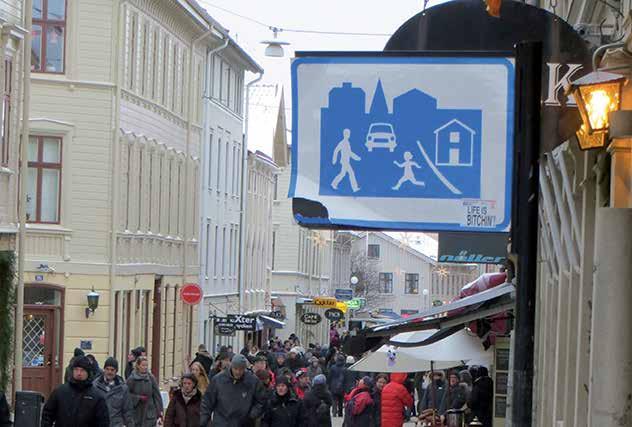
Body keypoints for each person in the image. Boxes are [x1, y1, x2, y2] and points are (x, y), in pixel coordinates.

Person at [41, 355, 110, 427]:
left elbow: (103, 421)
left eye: (82, 370)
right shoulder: (60, 392)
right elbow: (47, 415)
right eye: (76, 369)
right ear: (72, 371)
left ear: (88, 373)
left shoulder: (96, 396)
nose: (79, 373)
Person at [200, 354, 266, 427]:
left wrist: (251, 415)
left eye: (241, 369)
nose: (238, 372)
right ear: (231, 366)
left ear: (245, 368)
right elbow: (207, 402)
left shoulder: (253, 381)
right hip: (222, 422)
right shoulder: (218, 380)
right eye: (235, 368)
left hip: (243, 423)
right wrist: (203, 421)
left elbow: (261, 401)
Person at [94, 357, 135, 427]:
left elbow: (128, 411)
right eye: (107, 369)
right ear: (104, 369)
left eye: (112, 370)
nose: (109, 372)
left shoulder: (123, 389)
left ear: (116, 371)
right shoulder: (95, 386)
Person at [126, 356, 163, 427]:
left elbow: (157, 396)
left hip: (149, 413)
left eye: (146, 365)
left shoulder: (151, 378)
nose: (145, 367)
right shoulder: (132, 379)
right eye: (143, 365)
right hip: (136, 412)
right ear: (138, 366)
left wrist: (159, 412)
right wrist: (138, 398)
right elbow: (126, 395)